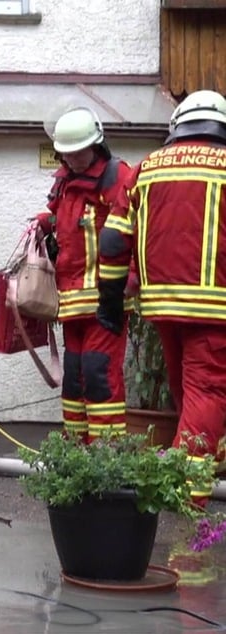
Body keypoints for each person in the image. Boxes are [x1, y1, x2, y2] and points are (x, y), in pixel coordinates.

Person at [98, 89, 226, 502]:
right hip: (216, 307)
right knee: (207, 392)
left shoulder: (146, 169)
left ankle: (203, 459)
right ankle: (187, 494)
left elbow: (114, 240)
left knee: (187, 392)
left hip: (161, 305)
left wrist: (111, 300)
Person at [35, 107, 134, 441]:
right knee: (75, 378)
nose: (73, 159)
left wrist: (124, 287)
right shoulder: (64, 182)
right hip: (72, 301)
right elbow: (65, 223)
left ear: (96, 145)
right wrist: (44, 223)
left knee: (98, 373)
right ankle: (76, 452)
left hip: (104, 300)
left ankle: (106, 455)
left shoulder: (115, 176)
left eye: (78, 152)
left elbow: (129, 230)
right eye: (67, 154)